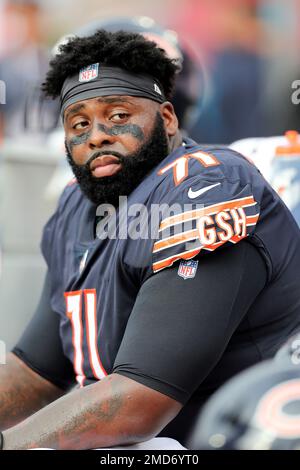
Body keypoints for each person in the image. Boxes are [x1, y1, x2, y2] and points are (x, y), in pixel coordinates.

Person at [0, 29, 299, 450]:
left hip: (229, 437)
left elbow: (141, 400)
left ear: (168, 118)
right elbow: (38, 370)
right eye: (79, 123)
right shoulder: (76, 204)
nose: (97, 135)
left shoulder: (206, 185)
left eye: (118, 115)